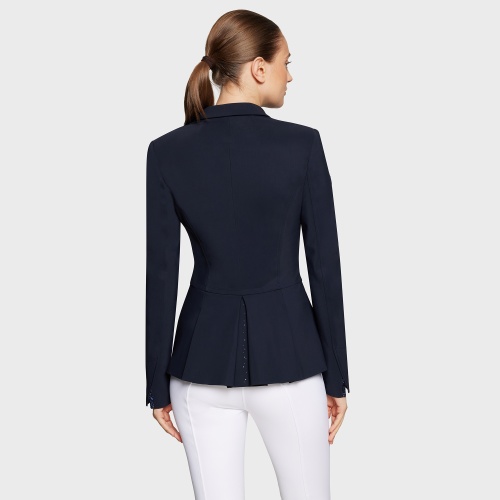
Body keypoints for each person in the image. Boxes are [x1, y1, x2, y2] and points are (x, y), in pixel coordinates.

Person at [145, 9, 350, 499]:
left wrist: (156, 384)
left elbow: (160, 274)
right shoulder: (302, 145)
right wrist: (337, 377)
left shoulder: (166, 151)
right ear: (259, 68)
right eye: (286, 63)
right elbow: (324, 268)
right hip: (292, 360)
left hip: (198, 367)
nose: (289, 76)